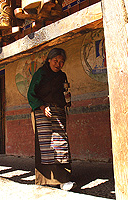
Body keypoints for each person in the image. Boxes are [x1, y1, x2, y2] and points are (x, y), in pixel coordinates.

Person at [27, 48, 75, 191]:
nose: (58, 64)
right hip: (42, 113)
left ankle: (64, 180)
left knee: (61, 144)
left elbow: (65, 91)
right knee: (46, 146)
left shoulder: (62, 75)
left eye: (61, 62)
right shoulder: (40, 74)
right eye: (56, 61)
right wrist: (41, 107)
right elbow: (31, 94)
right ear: (49, 60)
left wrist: (67, 100)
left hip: (58, 112)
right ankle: (45, 180)